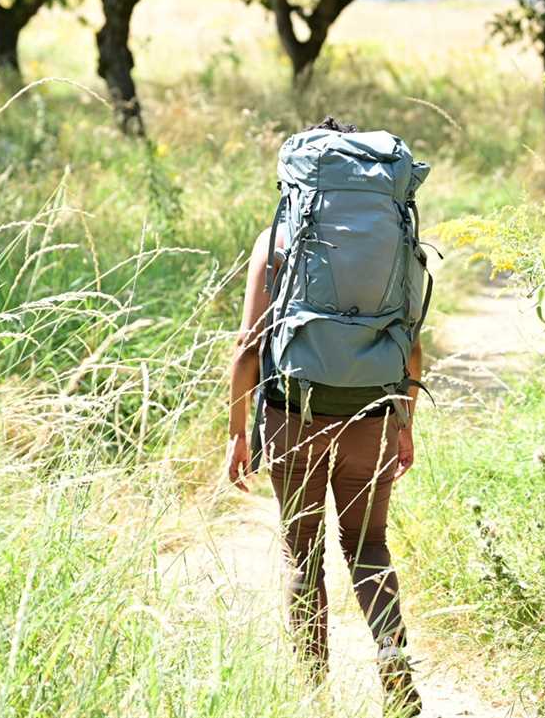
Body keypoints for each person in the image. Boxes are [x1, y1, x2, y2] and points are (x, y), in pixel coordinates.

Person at [226, 117, 426, 716]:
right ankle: (394, 669)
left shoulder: (280, 236)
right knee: (368, 546)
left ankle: (313, 697)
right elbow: (412, 337)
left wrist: (239, 431)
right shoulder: (393, 230)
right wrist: (404, 420)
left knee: (301, 551)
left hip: (295, 405)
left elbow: (248, 343)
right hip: (374, 404)